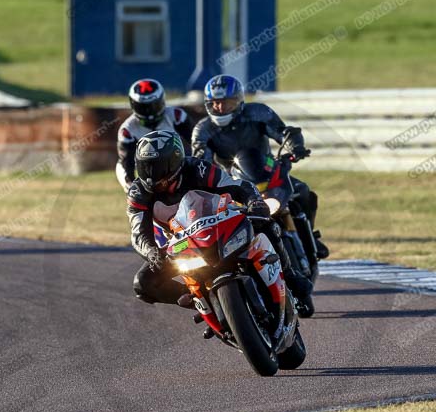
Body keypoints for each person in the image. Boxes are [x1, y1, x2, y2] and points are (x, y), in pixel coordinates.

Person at [127, 130, 313, 306]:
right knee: (143, 283)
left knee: (265, 223)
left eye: (157, 167)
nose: (150, 175)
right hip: (182, 244)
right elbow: (138, 233)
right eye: (145, 167)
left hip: (221, 224)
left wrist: (254, 202)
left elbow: (238, 186)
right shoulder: (138, 193)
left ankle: (290, 274)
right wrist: (151, 252)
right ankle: (200, 300)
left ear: (175, 160)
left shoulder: (197, 168)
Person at [192, 74, 329, 259]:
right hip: (232, 181)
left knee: (303, 191)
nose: (221, 108)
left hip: (267, 170)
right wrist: (206, 178)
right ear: (208, 104)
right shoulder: (202, 130)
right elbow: (202, 160)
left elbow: (282, 132)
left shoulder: (258, 112)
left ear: (239, 101)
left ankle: (310, 236)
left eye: (227, 102)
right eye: (215, 103)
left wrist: (295, 147)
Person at [116, 79, 193, 192]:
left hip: (176, 162)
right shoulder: (127, 130)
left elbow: (195, 142)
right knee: (120, 167)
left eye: (153, 106)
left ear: (162, 101)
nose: (149, 112)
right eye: (143, 107)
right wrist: (133, 186)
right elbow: (127, 163)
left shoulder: (177, 116)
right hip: (146, 169)